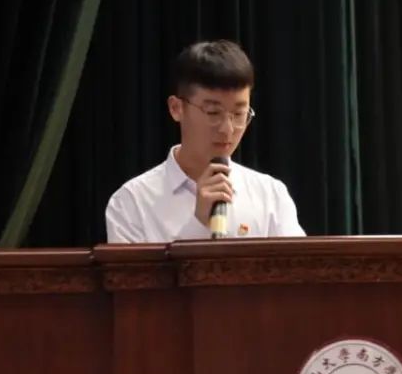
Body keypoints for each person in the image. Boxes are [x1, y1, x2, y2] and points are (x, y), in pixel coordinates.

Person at [106, 40, 305, 243]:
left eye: (239, 114)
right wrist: (199, 224)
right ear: (176, 108)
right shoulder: (131, 203)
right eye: (213, 112)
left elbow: (300, 263)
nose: (227, 129)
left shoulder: (270, 195)